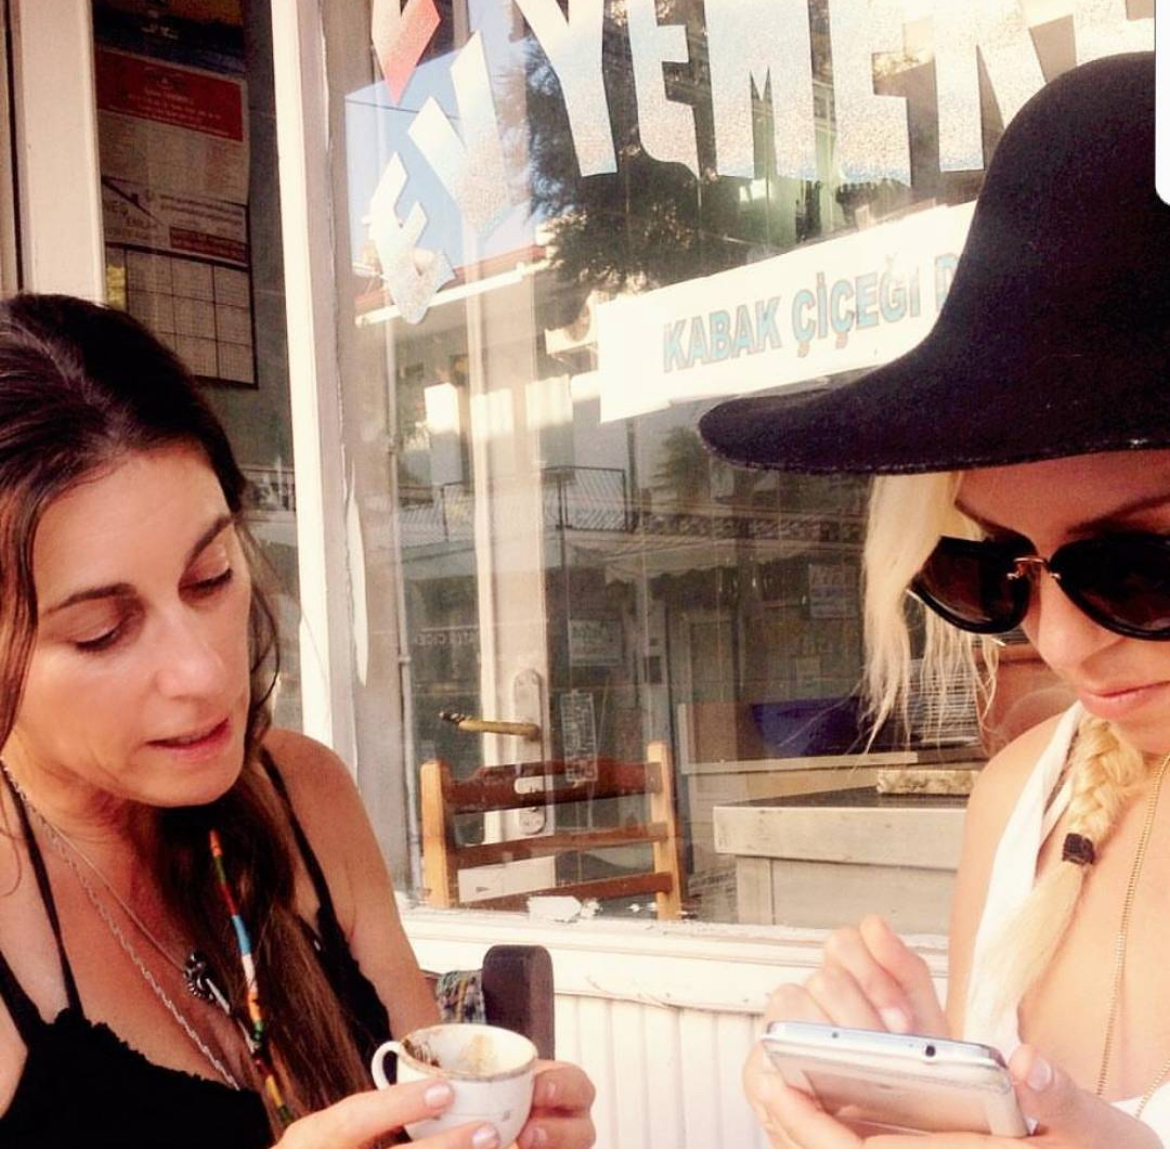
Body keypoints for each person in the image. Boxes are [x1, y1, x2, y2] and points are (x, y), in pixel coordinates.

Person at [700, 52, 1170, 1148]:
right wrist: (902, 1108)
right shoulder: (1025, 804)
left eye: (1142, 568)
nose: (1061, 641)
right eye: (994, 569)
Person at [0, 293, 596, 1149]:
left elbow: (425, 1115)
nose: (205, 672)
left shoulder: (303, 794)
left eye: (210, 578)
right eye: (102, 630)